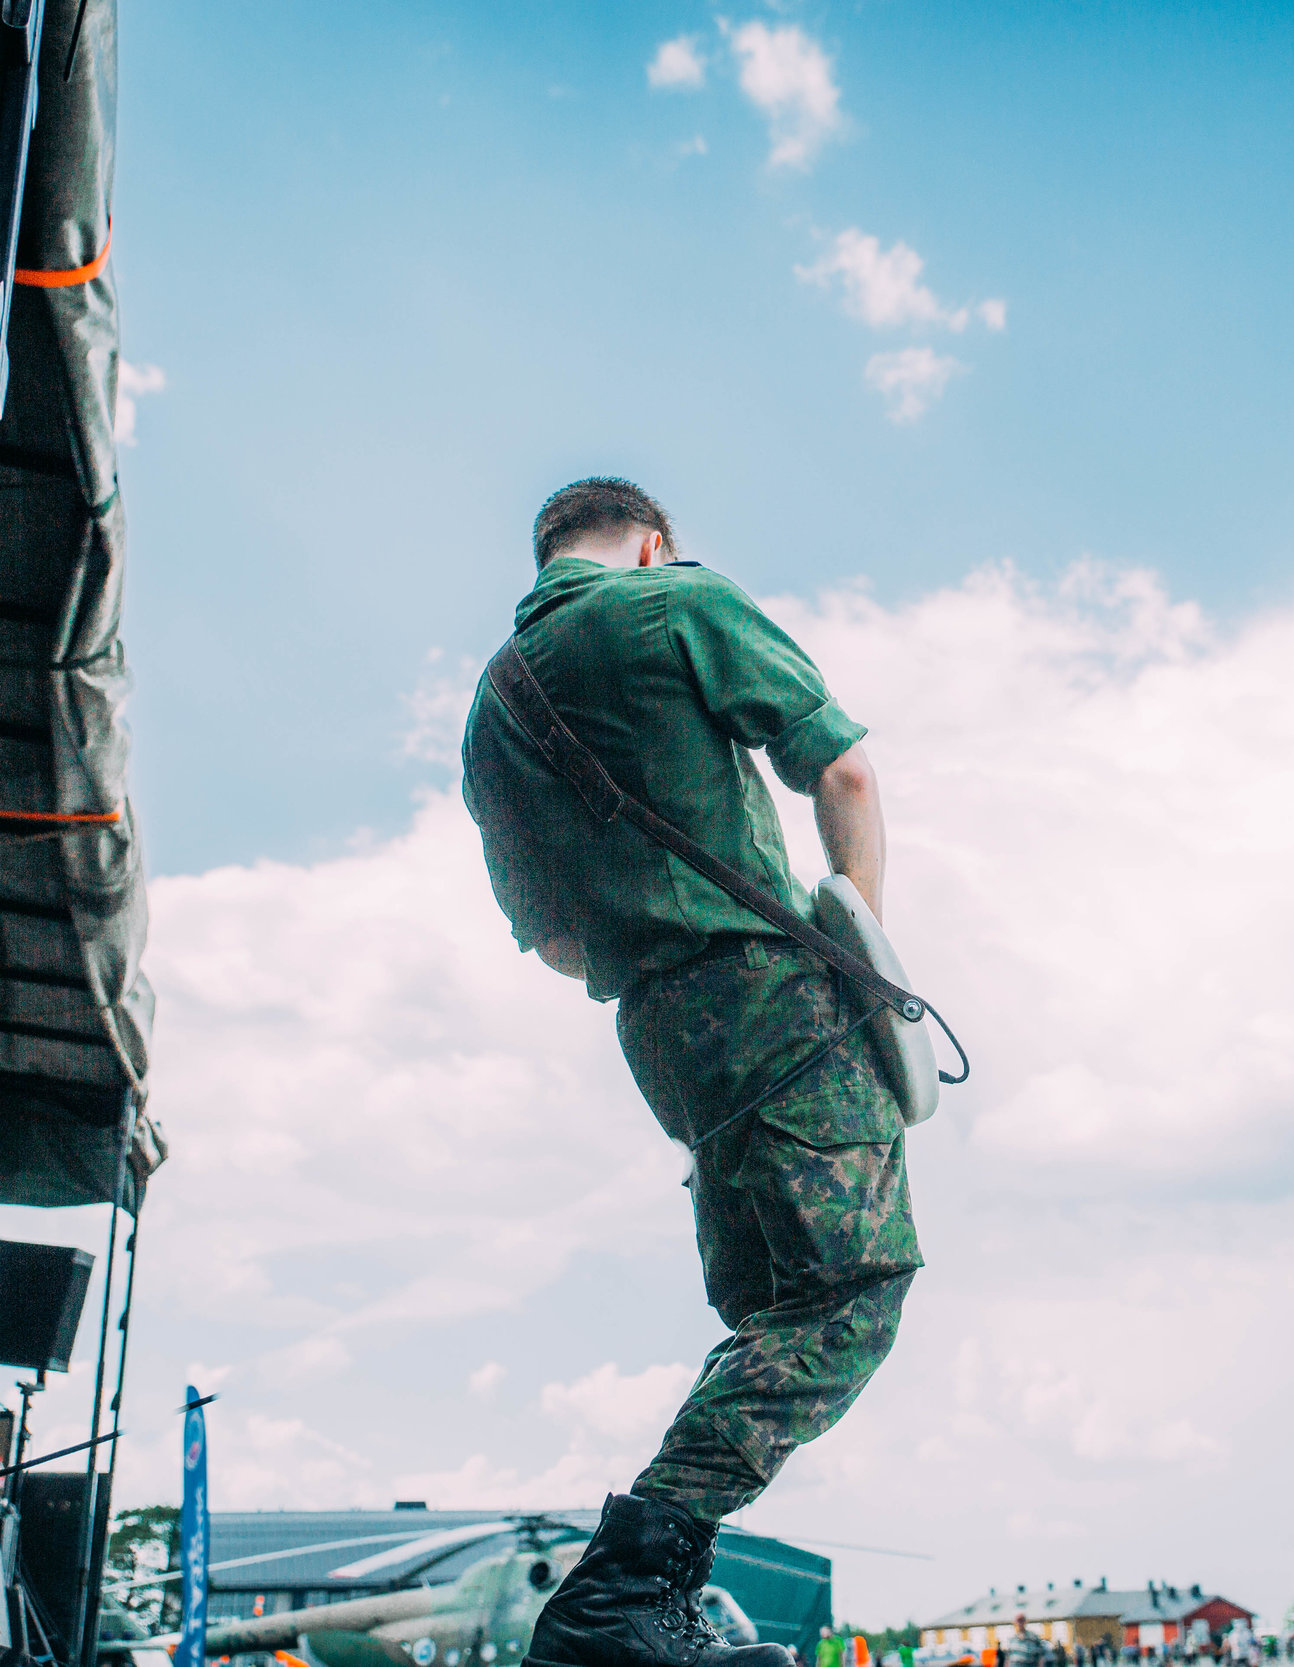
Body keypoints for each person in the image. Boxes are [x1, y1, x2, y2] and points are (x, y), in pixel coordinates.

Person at [472, 480, 919, 1667]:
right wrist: (861, 948)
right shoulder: (671, 603)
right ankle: (621, 1593)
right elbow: (846, 772)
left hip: (657, 1028)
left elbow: (555, 940)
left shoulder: (490, 709)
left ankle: (652, 1612)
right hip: (770, 991)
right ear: (654, 541)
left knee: (771, 1307)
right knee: (849, 1287)